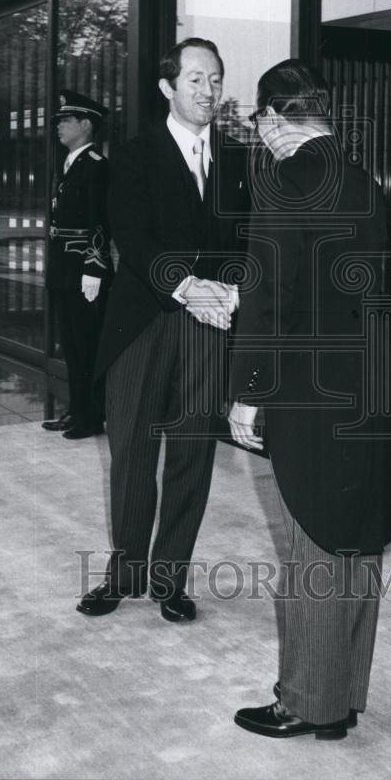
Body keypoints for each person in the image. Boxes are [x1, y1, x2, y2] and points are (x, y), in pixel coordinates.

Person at [229, 59, 391, 740]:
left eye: (258, 121)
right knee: (357, 543)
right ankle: (342, 697)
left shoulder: (284, 181)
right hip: (369, 388)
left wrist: (248, 392)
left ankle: (306, 702)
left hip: (311, 395)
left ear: (274, 118)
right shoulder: (365, 180)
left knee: (313, 550)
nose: (260, 134)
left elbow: (269, 299)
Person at [77, 37, 250, 621]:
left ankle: (170, 578)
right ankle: (123, 573)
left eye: (216, 80)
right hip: (143, 325)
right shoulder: (134, 155)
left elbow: (246, 240)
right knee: (131, 454)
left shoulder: (237, 157)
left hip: (209, 329)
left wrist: (227, 291)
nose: (208, 91)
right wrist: (188, 288)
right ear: (168, 87)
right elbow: (134, 235)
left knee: (193, 455)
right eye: (196, 80)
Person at [42, 91, 113, 440]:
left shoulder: (97, 167)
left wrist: (94, 268)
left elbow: (101, 221)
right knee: (71, 345)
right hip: (64, 269)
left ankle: (91, 416)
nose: (59, 127)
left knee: (87, 344)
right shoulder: (70, 165)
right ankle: (77, 410)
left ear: (85, 125)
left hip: (84, 271)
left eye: (65, 121)